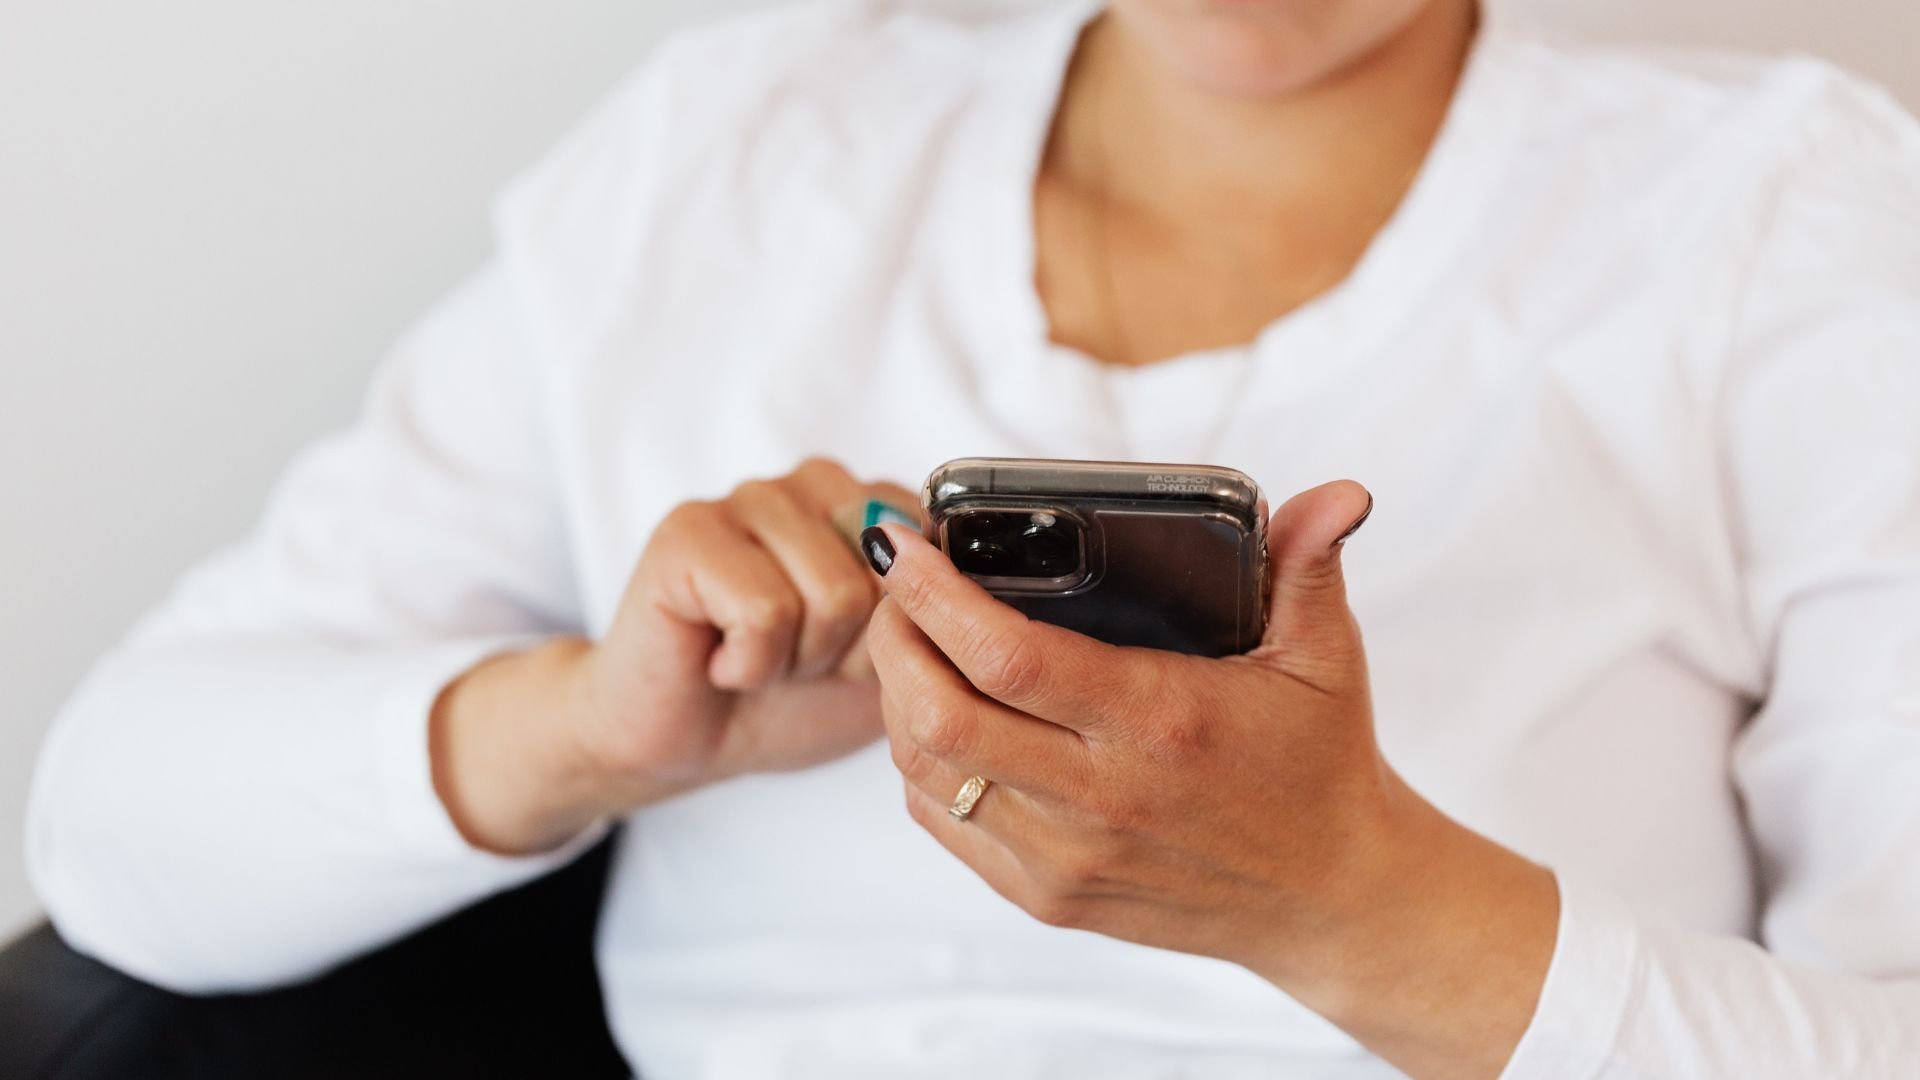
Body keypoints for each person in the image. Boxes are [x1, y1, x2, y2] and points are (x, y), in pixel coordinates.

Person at [25, 0, 1920, 1075]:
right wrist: (593, 727)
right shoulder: (736, 146)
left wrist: (1357, 904)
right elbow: (112, 836)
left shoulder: (1799, 222)